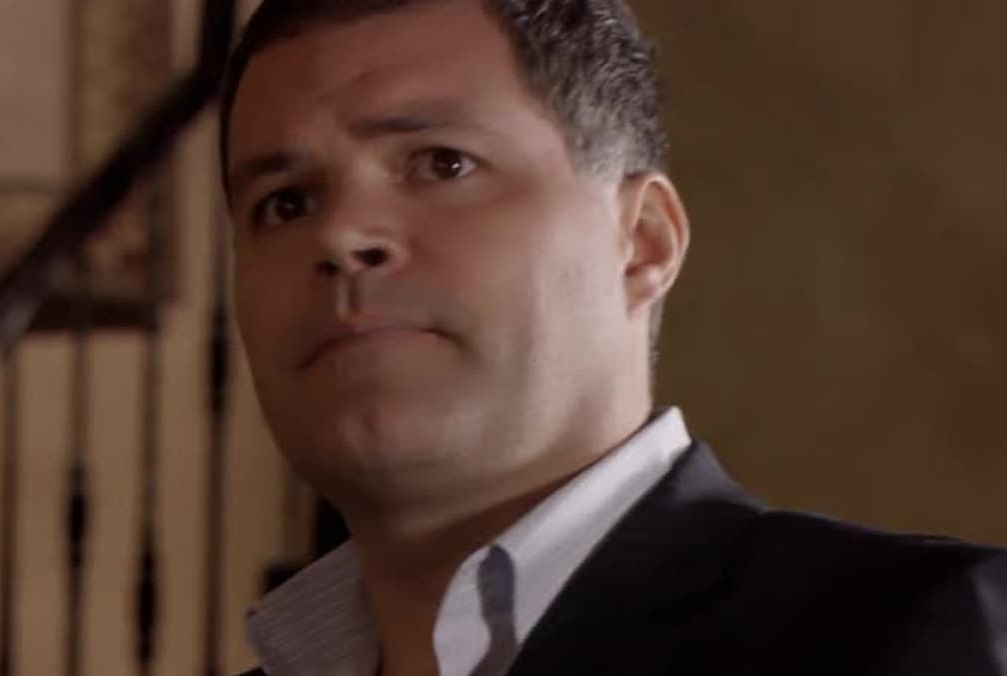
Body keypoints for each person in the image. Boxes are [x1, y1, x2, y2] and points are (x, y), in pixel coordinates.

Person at [216, 1, 1007, 674]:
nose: (341, 234)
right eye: (285, 203)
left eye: (442, 164)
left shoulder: (909, 637)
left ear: (644, 242)